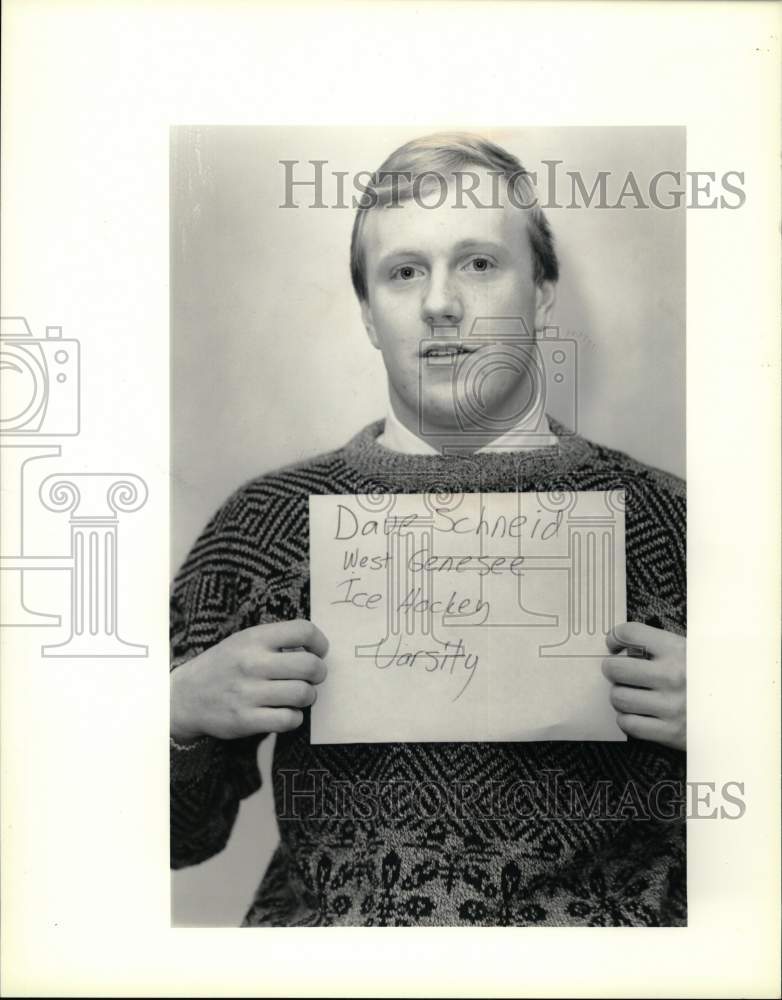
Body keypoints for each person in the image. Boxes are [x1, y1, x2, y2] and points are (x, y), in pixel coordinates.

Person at [170, 133, 687, 927]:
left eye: (478, 263)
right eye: (404, 272)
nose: (440, 302)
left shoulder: (675, 526)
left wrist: (753, 721)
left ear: (543, 291)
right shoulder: (264, 524)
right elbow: (168, 840)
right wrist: (175, 715)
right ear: (370, 316)